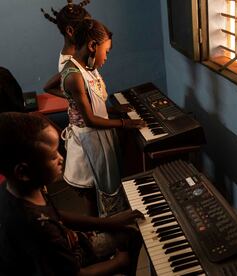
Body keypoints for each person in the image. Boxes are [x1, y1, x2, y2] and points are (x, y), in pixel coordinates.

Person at [0, 112, 144, 276]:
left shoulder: (18, 187)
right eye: (53, 156)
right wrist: (119, 262)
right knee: (133, 235)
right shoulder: (38, 227)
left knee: (131, 227)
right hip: (70, 262)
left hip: (71, 244)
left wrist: (109, 222)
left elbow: (57, 215)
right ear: (23, 172)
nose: (61, 158)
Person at [60, 18, 145, 217]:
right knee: (96, 190)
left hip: (100, 135)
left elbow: (92, 105)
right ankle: (101, 233)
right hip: (89, 139)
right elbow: (90, 119)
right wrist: (125, 123)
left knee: (104, 187)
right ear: (92, 46)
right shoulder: (73, 75)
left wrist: (115, 111)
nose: (106, 57)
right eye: (105, 52)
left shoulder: (87, 67)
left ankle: (108, 226)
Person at [42, 0, 92, 97]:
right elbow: (84, 99)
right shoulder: (68, 64)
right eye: (87, 27)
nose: (91, 31)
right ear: (70, 31)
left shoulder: (80, 53)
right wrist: (73, 97)